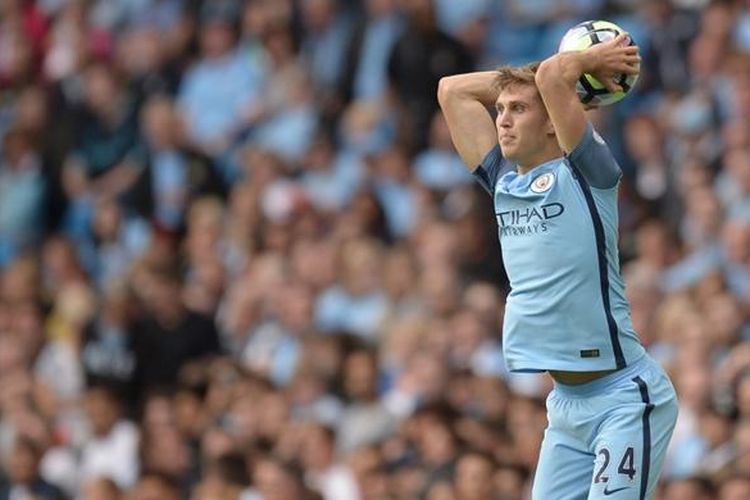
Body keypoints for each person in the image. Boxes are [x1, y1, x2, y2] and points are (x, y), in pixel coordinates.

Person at [437, 32, 679, 499]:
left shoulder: (588, 174)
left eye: (518, 110)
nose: (502, 121)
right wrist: (522, 87)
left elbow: (551, 76)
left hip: (624, 398)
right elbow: (452, 90)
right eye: (500, 110)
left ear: (553, 123)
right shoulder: (505, 182)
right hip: (566, 407)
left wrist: (576, 69)